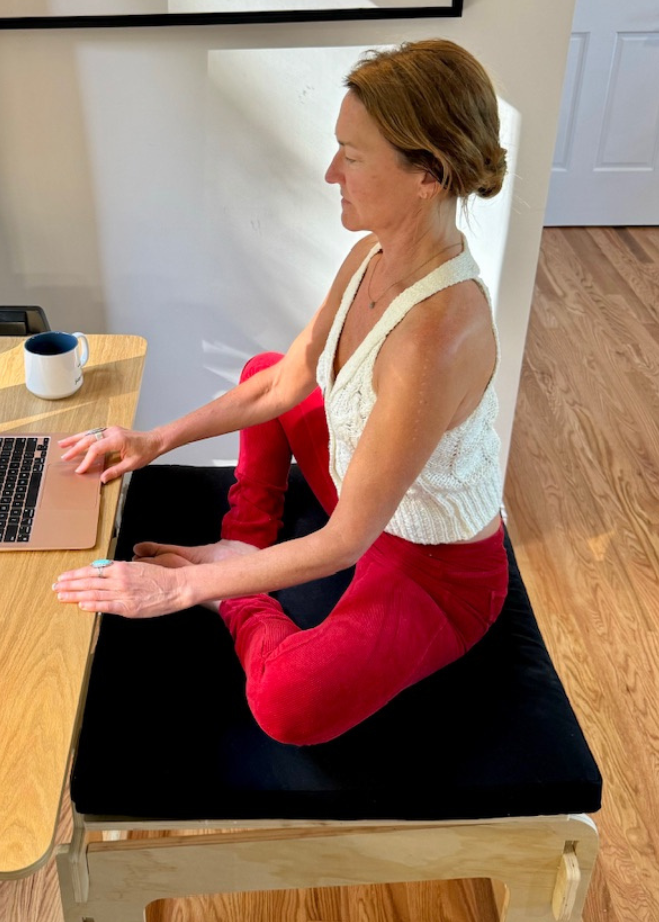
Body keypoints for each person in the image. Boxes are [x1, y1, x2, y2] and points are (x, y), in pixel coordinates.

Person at [54, 39, 510, 746]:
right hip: (368, 494)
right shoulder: (372, 252)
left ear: (428, 173)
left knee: (287, 703)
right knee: (264, 366)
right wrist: (152, 441)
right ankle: (245, 538)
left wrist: (191, 588)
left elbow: (344, 543)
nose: (332, 172)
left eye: (353, 157)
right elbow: (289, 375)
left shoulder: (436, 335)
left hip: (435, 567)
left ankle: (243, 577)